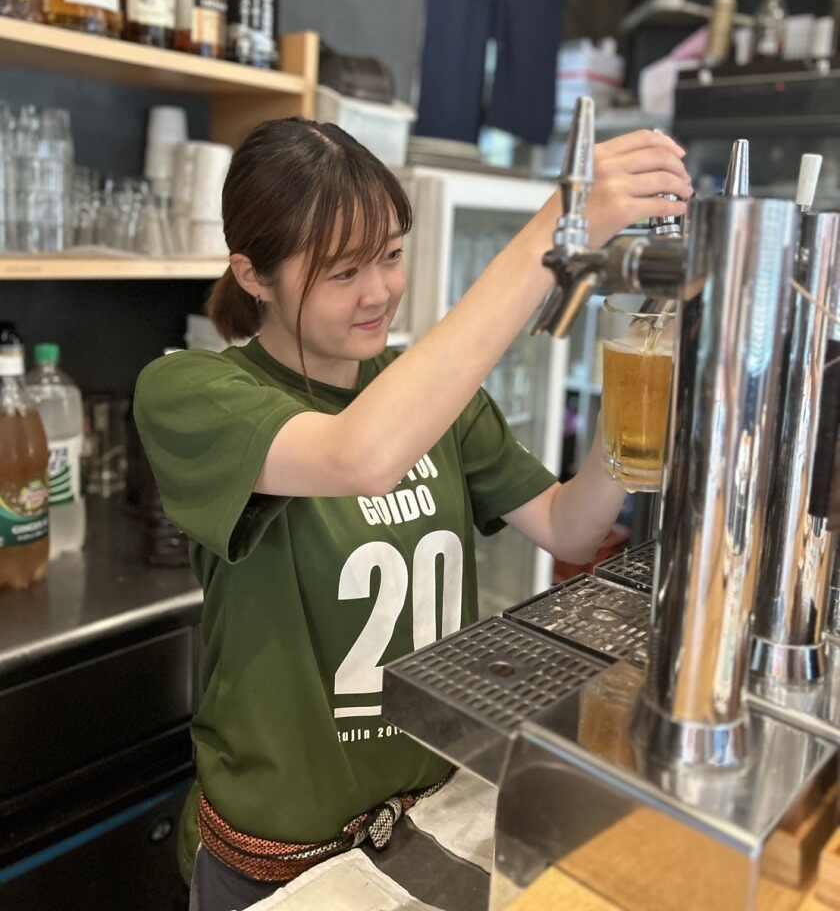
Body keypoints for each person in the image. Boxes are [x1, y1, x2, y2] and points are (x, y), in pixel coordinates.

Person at [134, 117, 691, 911]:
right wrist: (553, 228)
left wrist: (634, 412)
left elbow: (570, 527)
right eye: (342, 271)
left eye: (392, 256)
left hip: (428, 830)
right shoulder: (192, 394)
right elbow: (359, 457)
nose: (379, 292)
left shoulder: (424, 398)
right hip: (277, 868)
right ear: (253, 275)